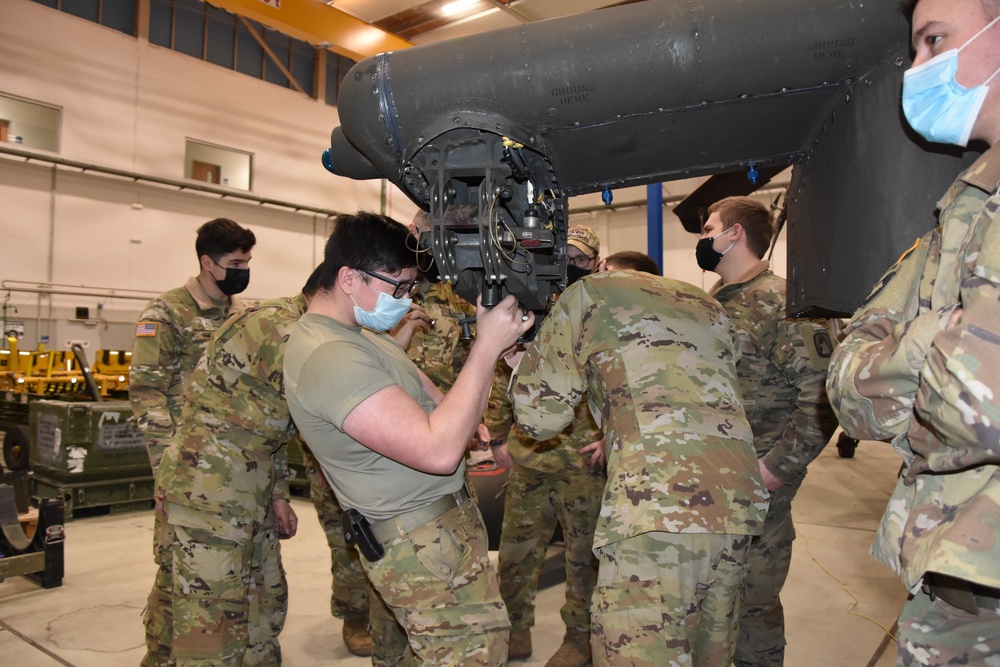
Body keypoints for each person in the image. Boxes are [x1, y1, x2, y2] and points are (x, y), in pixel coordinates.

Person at [827, 0, 1000, 662]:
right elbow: (846, 386)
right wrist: (947, 339)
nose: (917, 71)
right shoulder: (966, 200)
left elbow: (978, 402)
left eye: (935, 42)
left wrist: (919, 350)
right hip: (960, 588)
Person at [283, 211, 534, 666]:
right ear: (348, 277)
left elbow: (419, 383)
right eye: (397, 287)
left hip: (441, 531)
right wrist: (486, 347)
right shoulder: (329, 356)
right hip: (417, 542)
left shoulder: (361, 335)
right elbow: (438, 452)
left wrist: (459, 412)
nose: (404, 300)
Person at [509, 263, 768, 666]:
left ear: (608, 268)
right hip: (736, 498)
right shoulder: (708, 302)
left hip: (658, 505)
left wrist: (520, 365)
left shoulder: (590, 292)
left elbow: (540, 419)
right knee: (709, 652)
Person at [153, 268, 322, 665]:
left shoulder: (299, 327)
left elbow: (270, 420)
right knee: (208, 622)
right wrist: (163, 476)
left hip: (250, 486)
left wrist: (278, 494)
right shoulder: (280, 328)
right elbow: (150, 396)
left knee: (263, 599)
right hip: (206, 488)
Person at [696, 196, 838, 666]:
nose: (703, 237)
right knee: (713, 606)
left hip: (758, 485)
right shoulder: (716, 302)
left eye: (709, 227)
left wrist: (777, 468)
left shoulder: (782, 302)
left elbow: (823, 394)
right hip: (715, 483)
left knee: (753, 607)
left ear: (734, 234)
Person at [130, 217, 256, 666]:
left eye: (247, 261)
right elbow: (147, 395)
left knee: (227, 578)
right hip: (184, 468)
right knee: (174, 573)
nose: (243, 270)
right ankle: (159, 656)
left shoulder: (242, 315)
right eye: (235, 262)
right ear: (207, 262)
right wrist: (169, 469)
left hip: (233, 470)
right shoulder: (166, 313)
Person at [492, 223, 606, 667]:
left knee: (584, 559)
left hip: (582, 463)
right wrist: (499, 433)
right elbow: (504, 373)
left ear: (596, 263)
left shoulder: (603, 313)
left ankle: (580, 638)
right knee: (516, 555)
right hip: (531, 457)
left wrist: (609, 439)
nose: (572, 267)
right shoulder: (531, 305)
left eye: (581, 260)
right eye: (567, 259)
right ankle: (515, 633)